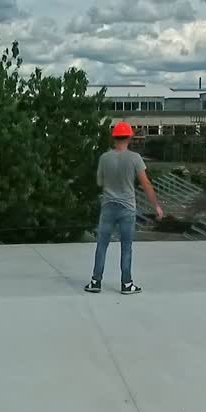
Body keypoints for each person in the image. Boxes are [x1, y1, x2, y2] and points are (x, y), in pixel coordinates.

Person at [85, 122, 163, 295]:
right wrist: (156, 206)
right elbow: (146, 183)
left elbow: (99, 182)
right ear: (129, 137)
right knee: (126, 247)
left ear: (114, 138)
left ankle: (95, 282)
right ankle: (126, 284)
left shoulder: (104, 158)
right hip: (127, 208)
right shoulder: (135, 158)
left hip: (108, 207)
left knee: (102, 245)